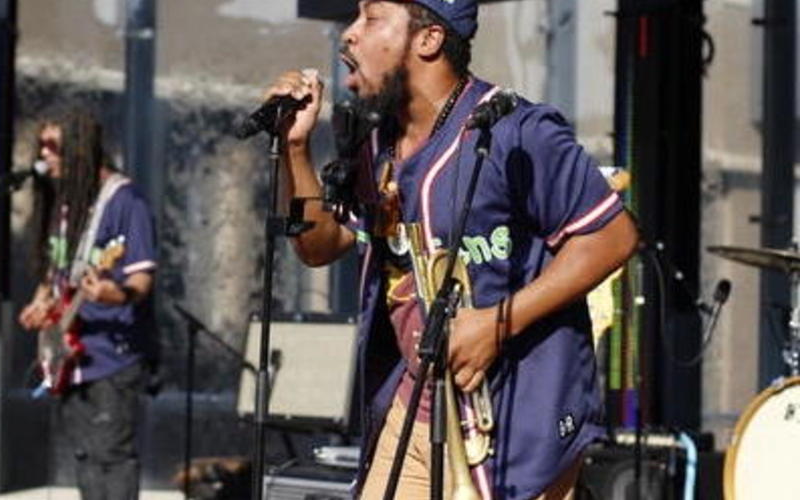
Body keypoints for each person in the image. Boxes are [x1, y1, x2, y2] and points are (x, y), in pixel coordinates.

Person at [263, 0, 639, 498]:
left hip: (517, 417)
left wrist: (496, 321)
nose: (349, 35)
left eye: (371, 18)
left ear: (428, 39)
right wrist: (294, 150)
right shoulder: (375, 143)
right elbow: (319, 246)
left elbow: (613, 236)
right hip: (412, 409)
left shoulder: (517, 131)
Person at [18, 108, 158, 500]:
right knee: (85, 456)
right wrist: (40, 302)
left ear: (80, 150)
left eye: (53, 147)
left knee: (112, 456)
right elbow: (57, 270)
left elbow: (140, 280)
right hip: (70, 355)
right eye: (41, 145)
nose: (44, 156)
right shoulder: (64, 202)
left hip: (113, 356)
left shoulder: (125, 200)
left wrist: (110, 293)